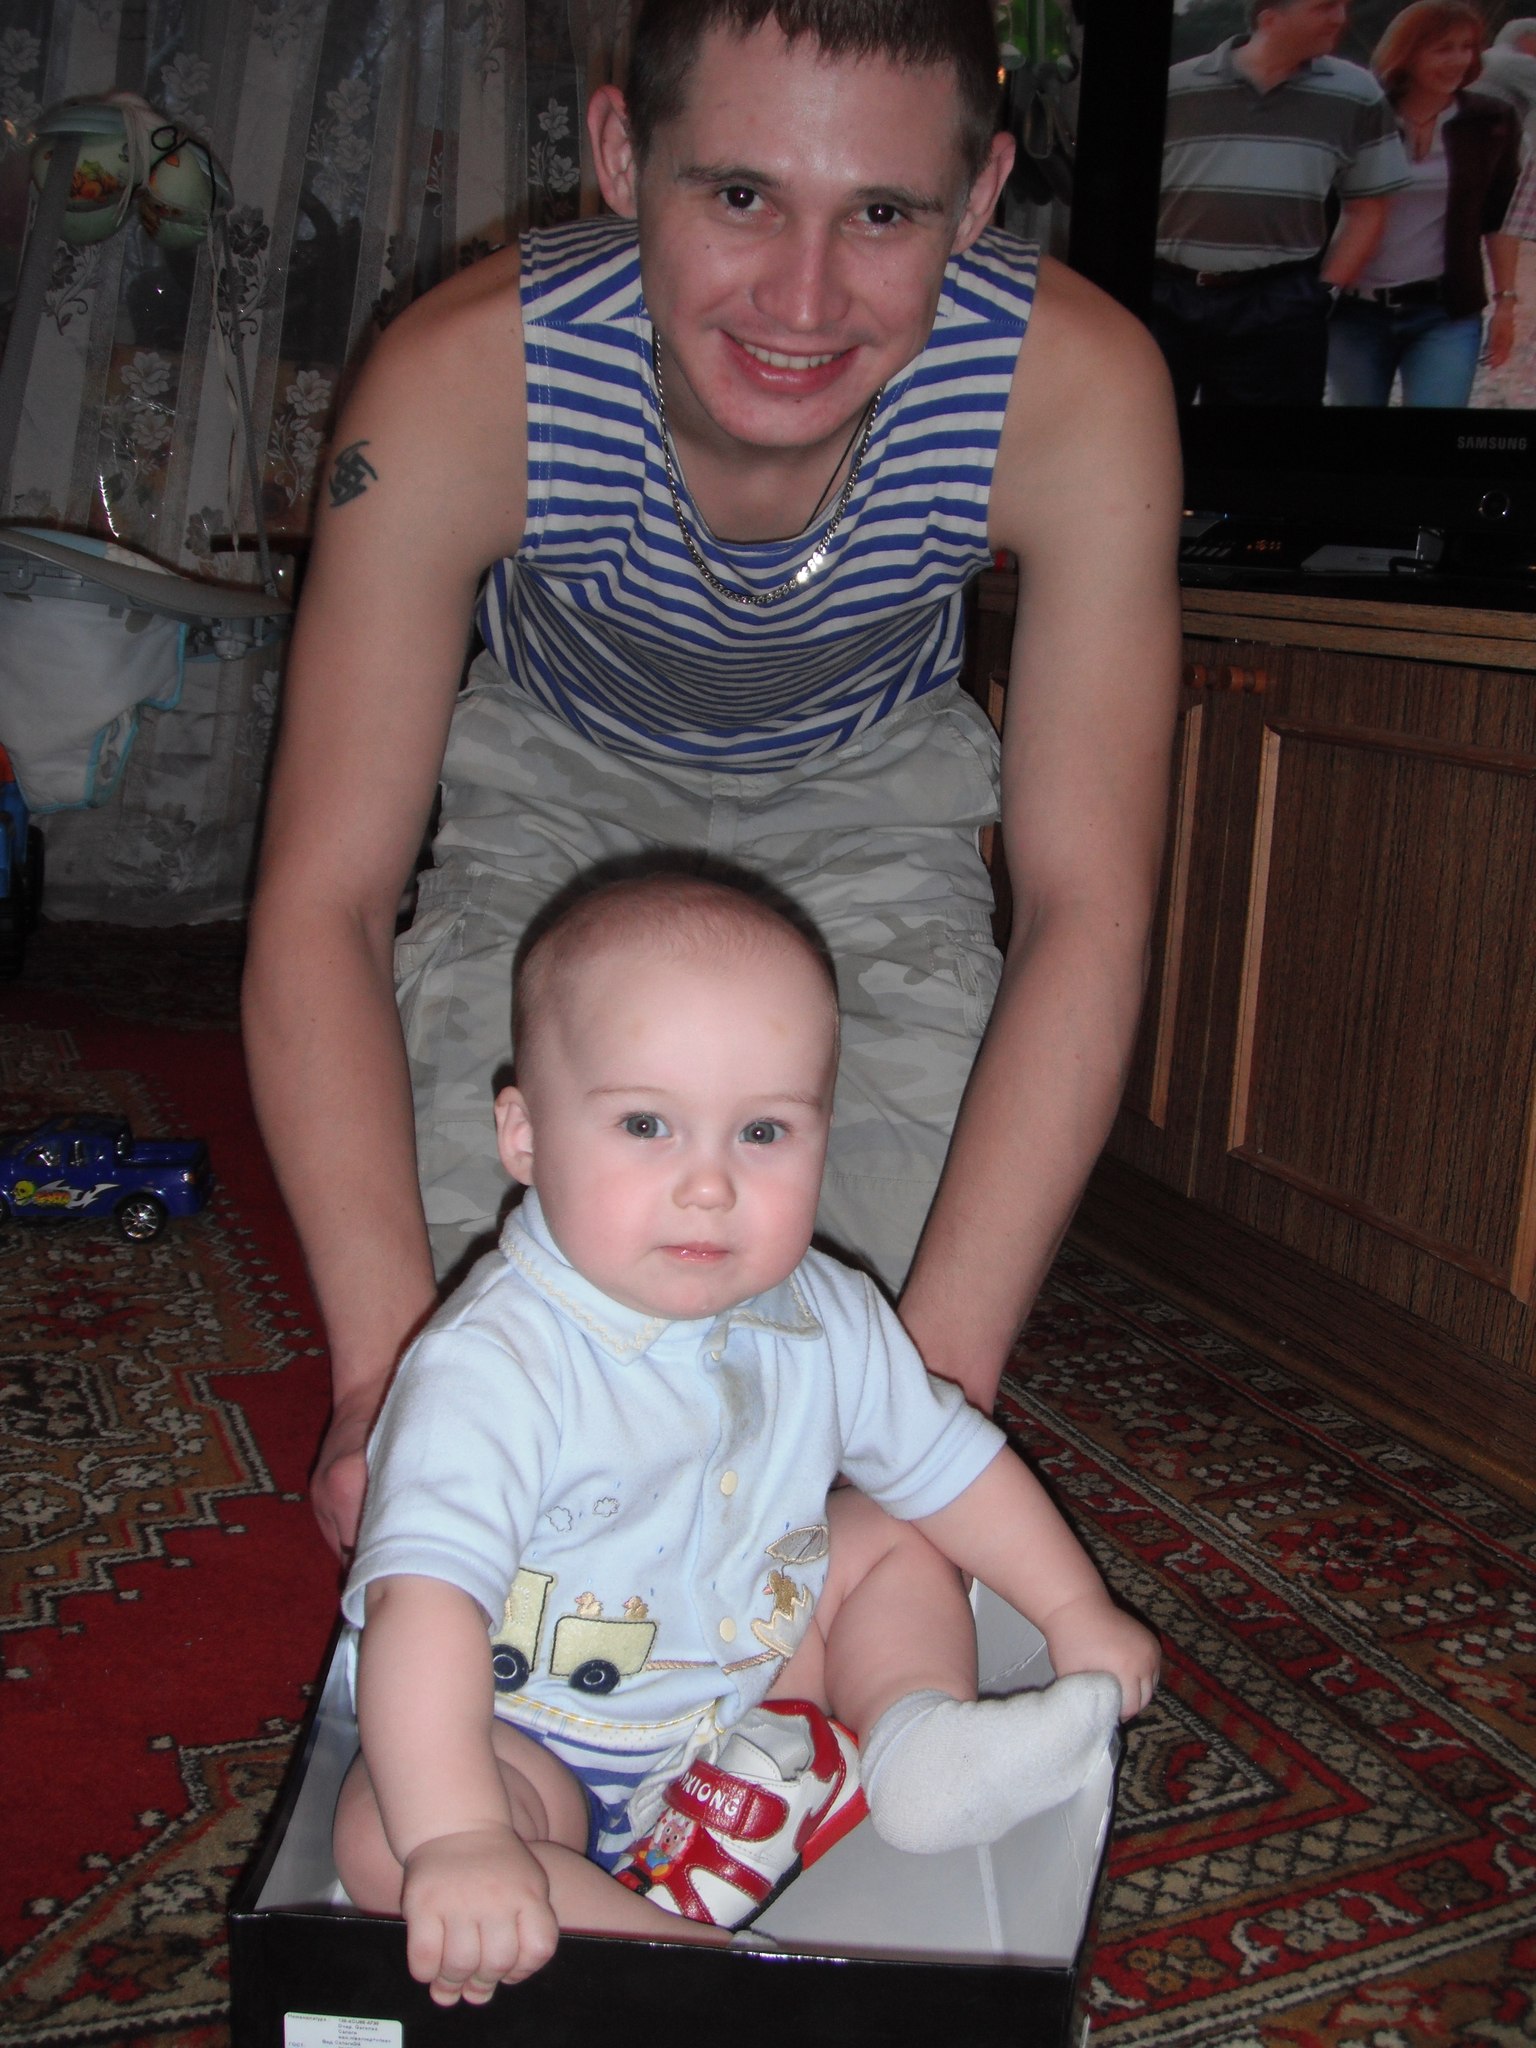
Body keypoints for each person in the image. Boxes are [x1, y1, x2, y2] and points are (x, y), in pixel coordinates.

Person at [242, 0, 1182, 1566]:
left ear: (980, 194)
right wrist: (380, 1378)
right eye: (740, 195)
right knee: (524, 1351)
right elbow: (323, 899)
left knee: (825, 1367)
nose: (802, 302)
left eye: (883, 215)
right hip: (556, 800)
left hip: (869, 801)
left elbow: (1089, 906)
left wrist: (931, 1412)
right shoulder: (465, 382)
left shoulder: (1072, 390)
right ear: (622, 155)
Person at [332, 870, 1161, 2007]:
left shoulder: (826, 1311)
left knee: (900, 1531)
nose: (711, 1184)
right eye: (645, 1125)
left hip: (739, 1697)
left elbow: (951, 1461)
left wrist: (1073, 1609)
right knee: (386, 1840)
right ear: (523, 1134)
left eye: (763, 1130)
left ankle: (916, 1740)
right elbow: (422, 1605)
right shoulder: (493, 1363)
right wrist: (460, 1833)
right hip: (524, 1735)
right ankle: (696, 1979)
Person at [1153, 0, 1411, 406]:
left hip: (1279, 304)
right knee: (1147, 434)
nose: (1341, 18)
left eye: (1343, 6)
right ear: (1270, 19)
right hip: (1166, 299)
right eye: (1325, 7)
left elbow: (1370, 206)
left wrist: (1324, 291)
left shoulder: (1357, 93)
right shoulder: (1177, 87)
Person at [1327, 1, 1521, 407]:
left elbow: (1499, 217)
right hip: (1354, 311)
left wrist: (1505, 303)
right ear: (1407, 52)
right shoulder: (1362, 116)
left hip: (1445, 312)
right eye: (1443, 48)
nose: (1459, 60)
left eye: (1467, 47)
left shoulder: (1491, 121)